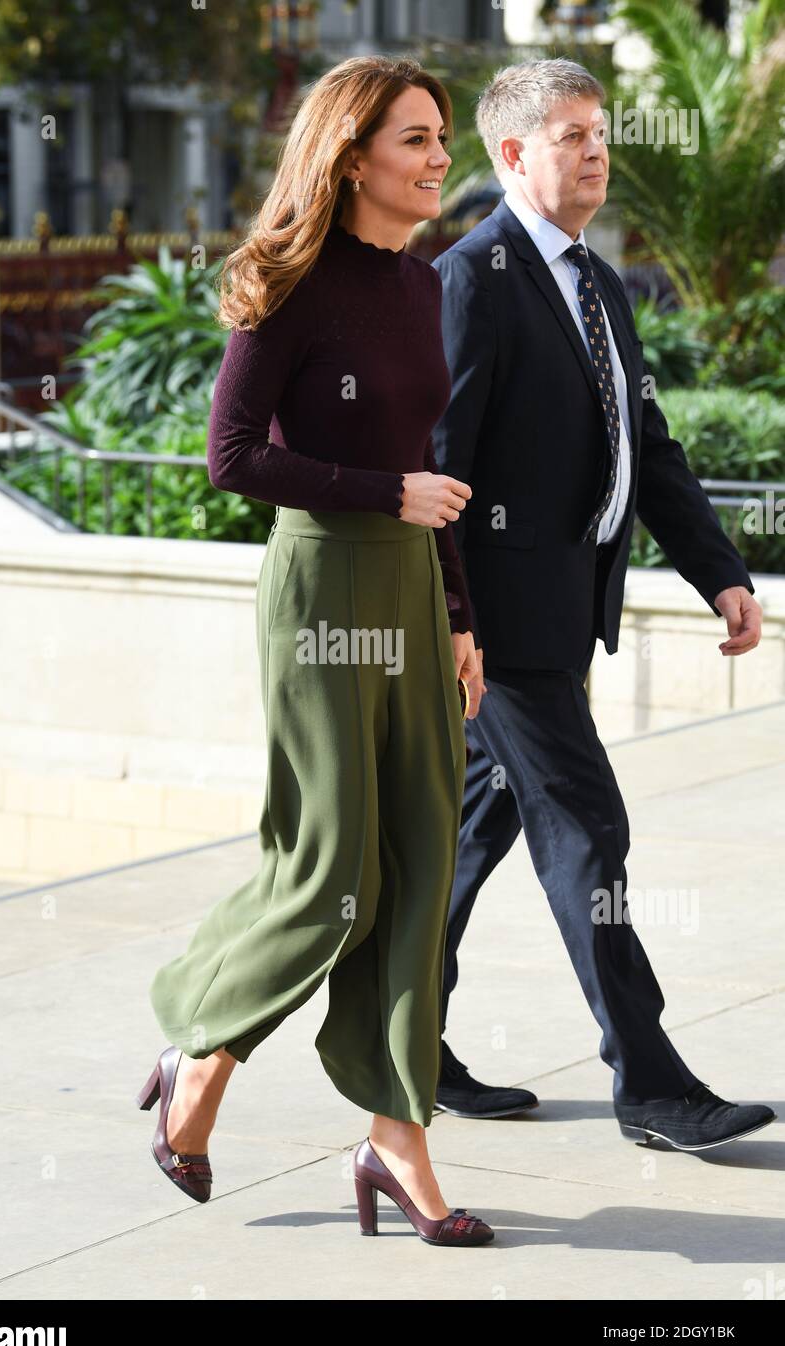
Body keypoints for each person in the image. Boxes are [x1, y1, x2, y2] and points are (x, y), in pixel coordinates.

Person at [137, 55, 495, 1246]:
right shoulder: (292, 283)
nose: (440, 157)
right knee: (335, 860)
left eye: (442, 137)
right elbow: (231, 457)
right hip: (324, 585)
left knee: (421, 858)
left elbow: (425, 459)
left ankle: (399, 1139)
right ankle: (205, 1043)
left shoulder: (415, 286)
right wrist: (384, 493)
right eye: (415, 139)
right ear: (350, 157)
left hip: (406, 583)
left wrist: (456, 617)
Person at [430, 57, 775, 1153]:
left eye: (599, 131)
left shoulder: (597, 280)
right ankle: (652, 1084)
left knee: (465, 839)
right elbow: (437, 465)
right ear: (512, 154)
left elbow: (649, 448)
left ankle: (397, 1045)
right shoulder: (472, 278)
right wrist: (455, 623)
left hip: (558, 618)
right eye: (570, 134)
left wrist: (717, 568)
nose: (595, 150)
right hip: (498, 632)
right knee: (590, 832)